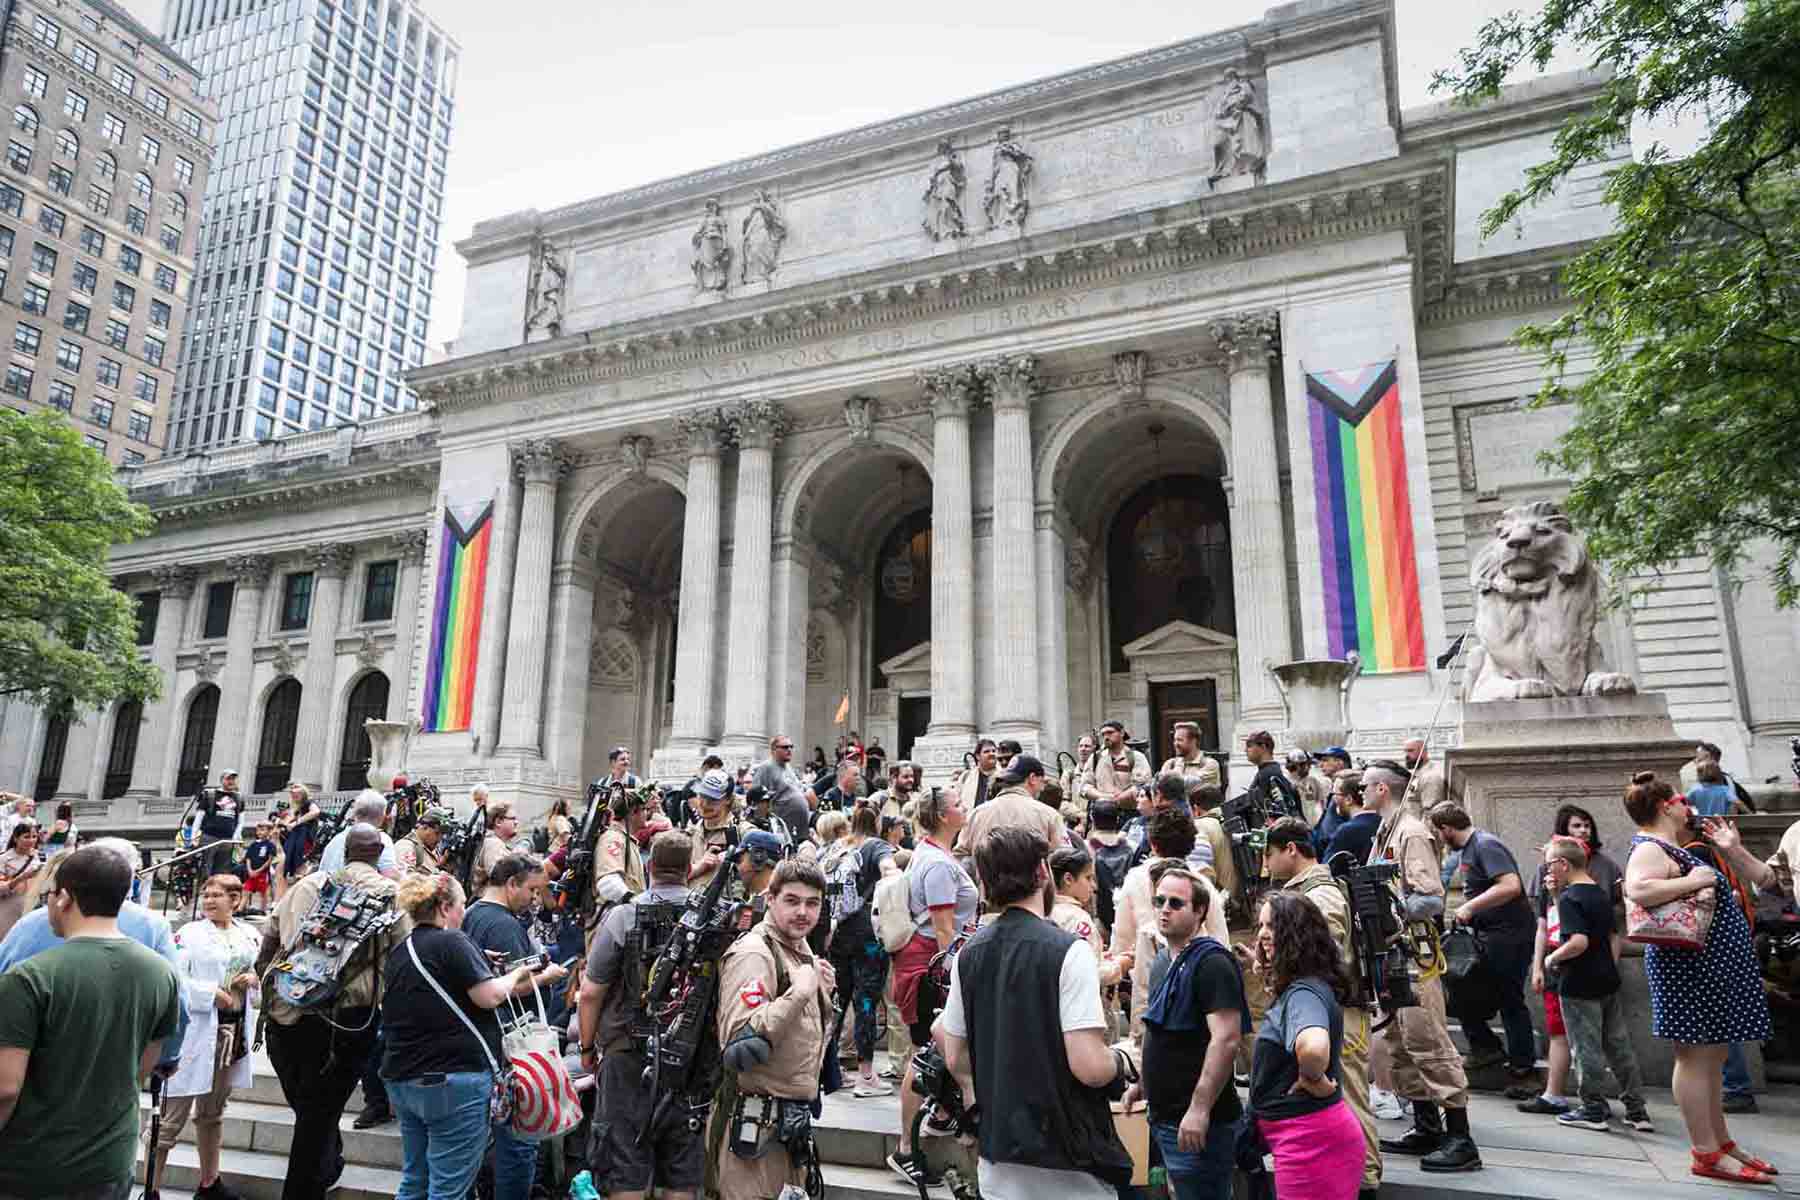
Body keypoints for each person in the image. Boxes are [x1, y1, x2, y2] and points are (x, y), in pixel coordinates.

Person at [940, 826, 1135, 1199]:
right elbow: (1090, 1066)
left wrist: (979, 1097)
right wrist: (1124, 1059)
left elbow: (954, 1052)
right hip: (1068, 1159)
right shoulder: (1069, 951)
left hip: (1001, 1159)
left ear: (983, 881)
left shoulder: (969, 954)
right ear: (1043, 872)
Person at [1621, 772, 1779, 1183]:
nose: (1684, 802)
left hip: (1703, 965)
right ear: (1663, 807)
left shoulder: (1669, 845)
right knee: (1695, 1058)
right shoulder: (1650, 846)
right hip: (1687, 966)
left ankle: (1721, 1143)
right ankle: (1706, 1151)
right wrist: (1694, 879)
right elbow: (1638, 889)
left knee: (1712, 1057)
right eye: (1677, 798)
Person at [0, 845, 182, 1199]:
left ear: (64, 898)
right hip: (110, 1162)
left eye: (51, 894)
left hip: (31, 1166)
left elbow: (5, 1088)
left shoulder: (31, 977)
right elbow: (141, 1068)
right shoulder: (162, 973)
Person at [259, 827, 408, 1200]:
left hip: (287, 1011)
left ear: (344, 853)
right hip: (347, 1020)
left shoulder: (307, 885)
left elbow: (269, 938)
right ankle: (306, 1188)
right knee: (317, 1116)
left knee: (313, 1112)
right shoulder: (392, 895)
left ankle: (328, 1163)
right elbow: (406, 959)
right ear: (379, 855)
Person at [380, 871, 547, 1200]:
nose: (463, 914)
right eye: (460, 907)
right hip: (453, 1082)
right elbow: (490, 997)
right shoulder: (452, 940)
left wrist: (480, 960)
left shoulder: (402, 950)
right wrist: (519, 973)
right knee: (449, 1188)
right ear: (444, 907)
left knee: (415, 1180)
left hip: (403, 1078)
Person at [1362, 760, 1481, 1172]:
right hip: (1389, 956)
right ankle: (1427, 1126)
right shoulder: (1385, 831)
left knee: (1429, 1041)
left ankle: (1461, 1138)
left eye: (1365, 785)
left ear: (1382, 788)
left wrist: (1388, 909)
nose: (1360, 791)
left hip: (1414, 955)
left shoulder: (1410, 832)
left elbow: (1429, 897)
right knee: (1400, 1043)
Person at [578, 831, 707, 1200]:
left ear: (649, 867)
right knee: (681, 1172)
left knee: (624, 1169)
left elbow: (590, 992)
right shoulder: (710, 916)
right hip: (691, 1061)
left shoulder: (621, 917)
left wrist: (587, 1050)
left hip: (627, 1056)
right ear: (689, 870)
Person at [1260, 818, 1380, 1198]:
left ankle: (1365, 1184)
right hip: (1330, 1010)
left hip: (1338, 1012)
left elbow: (1321, 950)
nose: (1266, 865)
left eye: (1270, 855)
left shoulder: (1321, 895)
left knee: (1350, 1099)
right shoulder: (1307, 890)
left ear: (1291, 850)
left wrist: (1313, 1078)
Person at [709, 859, 836, 1200]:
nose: (803, 912)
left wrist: (825, 995)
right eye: (792, 901)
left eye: (813, 903)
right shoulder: (754, 953)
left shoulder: (800, 951)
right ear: (770, 899)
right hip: (752, 1133)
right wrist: (800, 993)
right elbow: (739, 1045)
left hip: (788, 1129)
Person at [1122, 865, 1246, 1200]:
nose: (1164, 909)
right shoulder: (1164, 958)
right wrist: (1143, 1083)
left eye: (1176, 903)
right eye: (1159, 900)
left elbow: (1226, 1039)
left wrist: (1200, 1108)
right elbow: (1157, 1025)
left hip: (1198, 1125)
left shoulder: (1213, 963)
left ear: (1200, 910)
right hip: (1164, 1117)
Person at [145, 873, 262, 1200]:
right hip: (196, 1035)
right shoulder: (189, 934)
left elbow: (259, 972)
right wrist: (210, 992)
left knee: (212, 1113)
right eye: (206, 894)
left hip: (231, 1036)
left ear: (236, 900)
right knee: (169, 1120)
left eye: (218, 895)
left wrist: (252, 978)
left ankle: (210, 1183)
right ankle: (151, 1189)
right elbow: (173, 978)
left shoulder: (249, 934)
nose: (210, 900)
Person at [458, 852, 565, 1200]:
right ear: (511, 884)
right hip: (513, 1046)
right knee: (519, 1142)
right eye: (532, 890)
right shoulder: (502, 923)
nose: (535, 899)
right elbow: (505, 987)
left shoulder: (472, 912)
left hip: (488, 1042)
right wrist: (547, 976)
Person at [886, 785, 978, 1189]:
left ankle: (938, 1114)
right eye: (958, 804)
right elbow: (944, 933)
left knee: (931, 1052)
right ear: (943, 817)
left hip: (927, 966)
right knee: (923, 1057)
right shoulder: (939, 865)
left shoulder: (932, 855)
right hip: (930, 970)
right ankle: (905, 1148)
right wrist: (954, 978)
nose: (965, 808)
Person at [1248, 892, 1366, 1200]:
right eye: (1261, 925)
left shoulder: (1304, 993)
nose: (1262, 935)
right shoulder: (1306, 986)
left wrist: (1312, 1077)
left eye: (1272, 926)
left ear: (1295, 935)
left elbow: (1313, 1048)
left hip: (1310, 1143)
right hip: (1307, 1137)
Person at [1541, 837, 1650, 1133]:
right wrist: (1555, 897)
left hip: (1579, 982)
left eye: (1550, 863)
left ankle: (1593, 1108)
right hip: (1606, 978)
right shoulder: (1599, 893)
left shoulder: (1570, 898)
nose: (1547, 870)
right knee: (1619, 1045)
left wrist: (1553, 958)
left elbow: (1577, 940)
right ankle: (1637, 1110)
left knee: (1585, 1047)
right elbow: (1605, 934)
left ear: (1563, 864)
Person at [1519, 804, 1622, 1117]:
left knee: (1603, 1039)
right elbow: (1544, 922)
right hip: (1561, 959)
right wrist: (1539, 965)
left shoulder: (1606, 868)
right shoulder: (1547, 873)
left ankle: (1601, 1103)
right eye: (1576, 826)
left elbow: (1613, 926)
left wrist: (1611, 963)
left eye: (1587, 825)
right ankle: (1564, 1094)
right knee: (1562, 1031)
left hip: (1589, 963)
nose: (1583, 832)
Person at [1429, 800, 1538, 1081]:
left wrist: (1470, 907)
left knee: (1510, 999)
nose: (1441, 841)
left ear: (1447, 829)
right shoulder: (1471, 849)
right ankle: (1485, 1046)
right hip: (1490, 935)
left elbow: (1511, 885)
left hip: (1509, 936)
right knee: (1464, 989)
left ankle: (1523, 1069)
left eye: (1439, 834)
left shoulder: (1486, 845)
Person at [1111, 809, 1228, 1040]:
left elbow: (1122, 939)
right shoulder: (1201, 883)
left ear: (1152, 843)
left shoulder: (1135, 879)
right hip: (1198, 989)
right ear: (1191, 846)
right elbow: (1221, 941)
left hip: (1147, 987)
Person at [823, 804, 899, 1097]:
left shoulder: (838, 846)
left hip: (837, 932)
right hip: (868, 934)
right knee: (866, 1001)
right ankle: (866, 1075)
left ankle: (828, 1068)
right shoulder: (877, 846)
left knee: (837, 1000)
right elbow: (888, 869)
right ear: (877, 821)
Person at [958, 754, 1067, 855]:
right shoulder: (1049, 815)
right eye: (1041, 781)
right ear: (1032, 778)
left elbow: (961, 856)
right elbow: (1065, 858)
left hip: (985, 875)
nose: (1042, 788)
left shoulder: (977, 814)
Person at [686, 769, 747, 892]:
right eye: (702, 796)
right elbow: (672, 879)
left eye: (713, 799)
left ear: (728, 799)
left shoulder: (742, 832)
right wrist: (698, 867)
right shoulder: (690, 832)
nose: (705, 804)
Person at [317, 791, 401, 876]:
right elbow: (390, 875)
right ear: (382, 817)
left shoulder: (335, 840)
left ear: (354, 814)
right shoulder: (380, 839)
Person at [753, 733, 815, 838]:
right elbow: (756, 795)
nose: (789, 750)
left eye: (791, 747)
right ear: (773, 749)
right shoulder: (766, 767)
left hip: (799, 826)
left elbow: (797, 789)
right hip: (782, 827)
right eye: (785, 747)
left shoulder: (788, 767)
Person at [1079, 721, 1151, 808]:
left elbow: (1141, 785)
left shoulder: (1136, 757)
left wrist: (1118, 799)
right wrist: (1103, 797)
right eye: (1103, 734)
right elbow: (1085, 786)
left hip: (1129, 813)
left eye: (1110, 732)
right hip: (1102, 814)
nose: (1106, 737)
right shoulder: (1096, 758)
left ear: (1122, 733)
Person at [189, 769, 246, 878]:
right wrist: (194, 837)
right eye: (228, 778)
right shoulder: (210, 794)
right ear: (222, 780)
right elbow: (199, 817)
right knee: (205, 869)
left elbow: (241, 821)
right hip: (209, 837)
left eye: (233, 779)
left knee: (222, 872)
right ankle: (203, 892)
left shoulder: (239, 798)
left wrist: (235, 837)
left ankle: (217, 893)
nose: (231, 781)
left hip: (227, 840)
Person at [1324, 771, 1379, 866]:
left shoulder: (1346, 831)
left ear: (1349, 799)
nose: (1333, 799)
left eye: (1335, 794)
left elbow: (1327, 869)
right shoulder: (1384, 822)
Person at [0, 823, 43, 942]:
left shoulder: (38, 856)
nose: (31, 840)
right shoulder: (4, 859)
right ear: (15, 838)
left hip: (31, 908)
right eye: (26, 836)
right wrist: (22, 877)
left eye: (34, 836)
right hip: (9, 909)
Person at [1244, 731, 1300, 819]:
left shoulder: (1269, 773)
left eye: (1249, 746)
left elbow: (1282, 810)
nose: (1245, 750)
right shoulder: (1266, 771)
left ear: (1263, 747)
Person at [1160, 721, 1222, 794]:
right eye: (1175, 740)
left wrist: (1178, 766)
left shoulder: (1210, 764)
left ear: (1193, 741)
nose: (1175, 744)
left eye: (1180, 740)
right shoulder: (1169, 764)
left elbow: (1182, 784)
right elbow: (1159, 787)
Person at [277, 782, 322, 883]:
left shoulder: (309, 802)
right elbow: (290, 820)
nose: (294, 796)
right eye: (293, 794)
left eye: (297, 794)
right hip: (296, 838)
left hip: (305, 838)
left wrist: (296, 823)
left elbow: (315, 812)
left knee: (301, 861)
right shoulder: (299, 808)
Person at [471, 799, 520, 892]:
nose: (516, 822)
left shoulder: (492, 842)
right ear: (498, 822)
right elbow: (500, 876)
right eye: (512, 818)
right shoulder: (493, 844)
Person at [393, 806, 452, 875]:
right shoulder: (406, 846)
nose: (439, 839)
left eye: (442, 835)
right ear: (425, 827)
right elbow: (406, 879)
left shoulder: (429, 848)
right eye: (437, 833)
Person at [242, 820, 280, 915]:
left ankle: (262, 909)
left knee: (263, 892)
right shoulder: (254, 844)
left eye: (262, 830)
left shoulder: (270, 845)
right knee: (246, 889)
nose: (259, 832)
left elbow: (269, 860)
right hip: (251, 872)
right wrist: (250, 870)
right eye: (258, 830)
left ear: (269, 832)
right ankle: (241, 907)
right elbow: (248, 858)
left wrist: (259, 871)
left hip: (262, 873)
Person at [1286, 750, 1328, 826]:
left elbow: (1322, 803)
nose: (1308, 767)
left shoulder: (1313, 780)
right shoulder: (1286, 782)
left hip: (1314, 823)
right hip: (1297, 824)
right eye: (1305, 765)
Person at [959, 738, 1000, 809]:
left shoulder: (1004, 775)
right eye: (986, 751)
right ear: (978, 756)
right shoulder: (966, 776)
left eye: (994, 751)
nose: (991, 754)